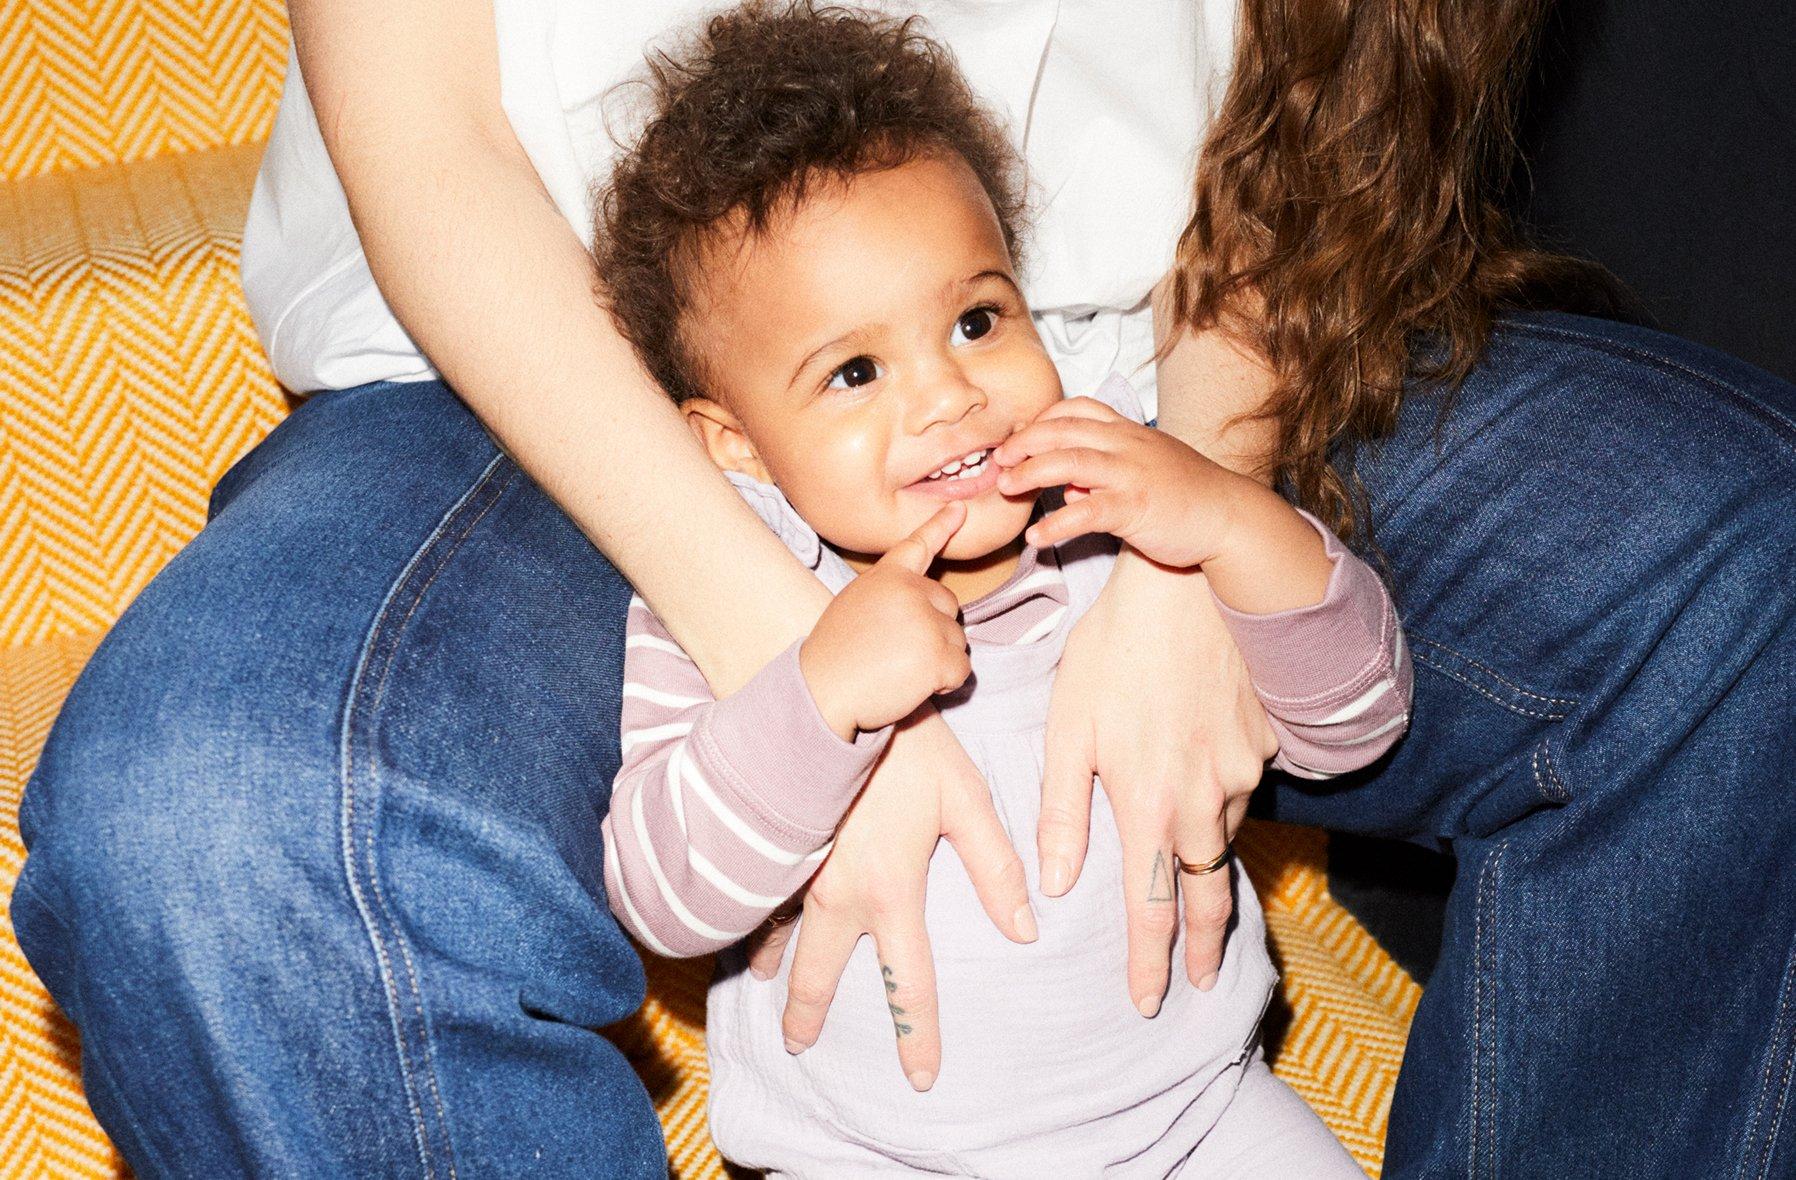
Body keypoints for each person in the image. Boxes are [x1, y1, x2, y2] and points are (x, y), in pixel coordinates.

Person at [9, 0, 1793, 1176]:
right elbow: (678, 875)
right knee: (219, 822)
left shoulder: (1040, 400)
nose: (929, 402)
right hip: (543, 375)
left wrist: (1210, 518)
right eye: (885, 375)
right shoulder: (715, 465)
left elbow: (1323, 89)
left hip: (1184, 332)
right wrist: (795, 668)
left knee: (1738, 552)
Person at [590, 8, 1407, 1174]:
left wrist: (1226, 518)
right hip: (871, 1157)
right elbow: (664, 894)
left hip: (1197, 1120)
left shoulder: (1116, 501)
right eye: (855, 371)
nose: (947, 396)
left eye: (976, 319)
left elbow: (1358, 722)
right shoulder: (738, 594)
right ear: (734, 443)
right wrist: (818, 692)